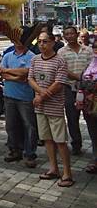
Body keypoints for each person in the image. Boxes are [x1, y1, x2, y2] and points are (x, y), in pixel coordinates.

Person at [28, 32, 73, 186]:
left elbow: (59, 83)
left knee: (60, 140)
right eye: (39, 41)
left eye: (45, 41)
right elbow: (30, 78)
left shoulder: (60, 60)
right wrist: (40, 93)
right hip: (40, 107)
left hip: (55, 107)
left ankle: (67, 173)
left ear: (53, 42)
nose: (42, 44)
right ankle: (53, 168)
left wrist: (41, 96)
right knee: (47, 139)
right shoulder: (34, 59)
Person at [0, 29, 37, 167]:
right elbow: (2, 74)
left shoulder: (32, 56)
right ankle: (14, 150)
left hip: (25, 97)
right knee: (11, 125)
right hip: (9, 96)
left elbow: (26, 73)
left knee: (29, 126)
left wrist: (7, 71)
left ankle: (30, 154)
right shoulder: (8, 56)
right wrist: (17, 76)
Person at [58, 26, 93, 155]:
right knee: (72, 119)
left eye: (72, 33)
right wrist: (78, 77)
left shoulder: (88, 50)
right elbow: (62, 70)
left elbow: (92, 67)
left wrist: (85, 79)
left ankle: (94, 144)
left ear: (77, 34)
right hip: (69, 89)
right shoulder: (61, 52)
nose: (70, 36)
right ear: (64, 36)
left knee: (90, 117)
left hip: (87, 90)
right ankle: (76, 144)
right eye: (66, 34)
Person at [76, 40, 97, 174]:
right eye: (95, 46)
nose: (96, 49)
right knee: (94, 133)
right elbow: (82, 82)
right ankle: (95, 159)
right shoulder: (90, 65)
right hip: (90, 106)